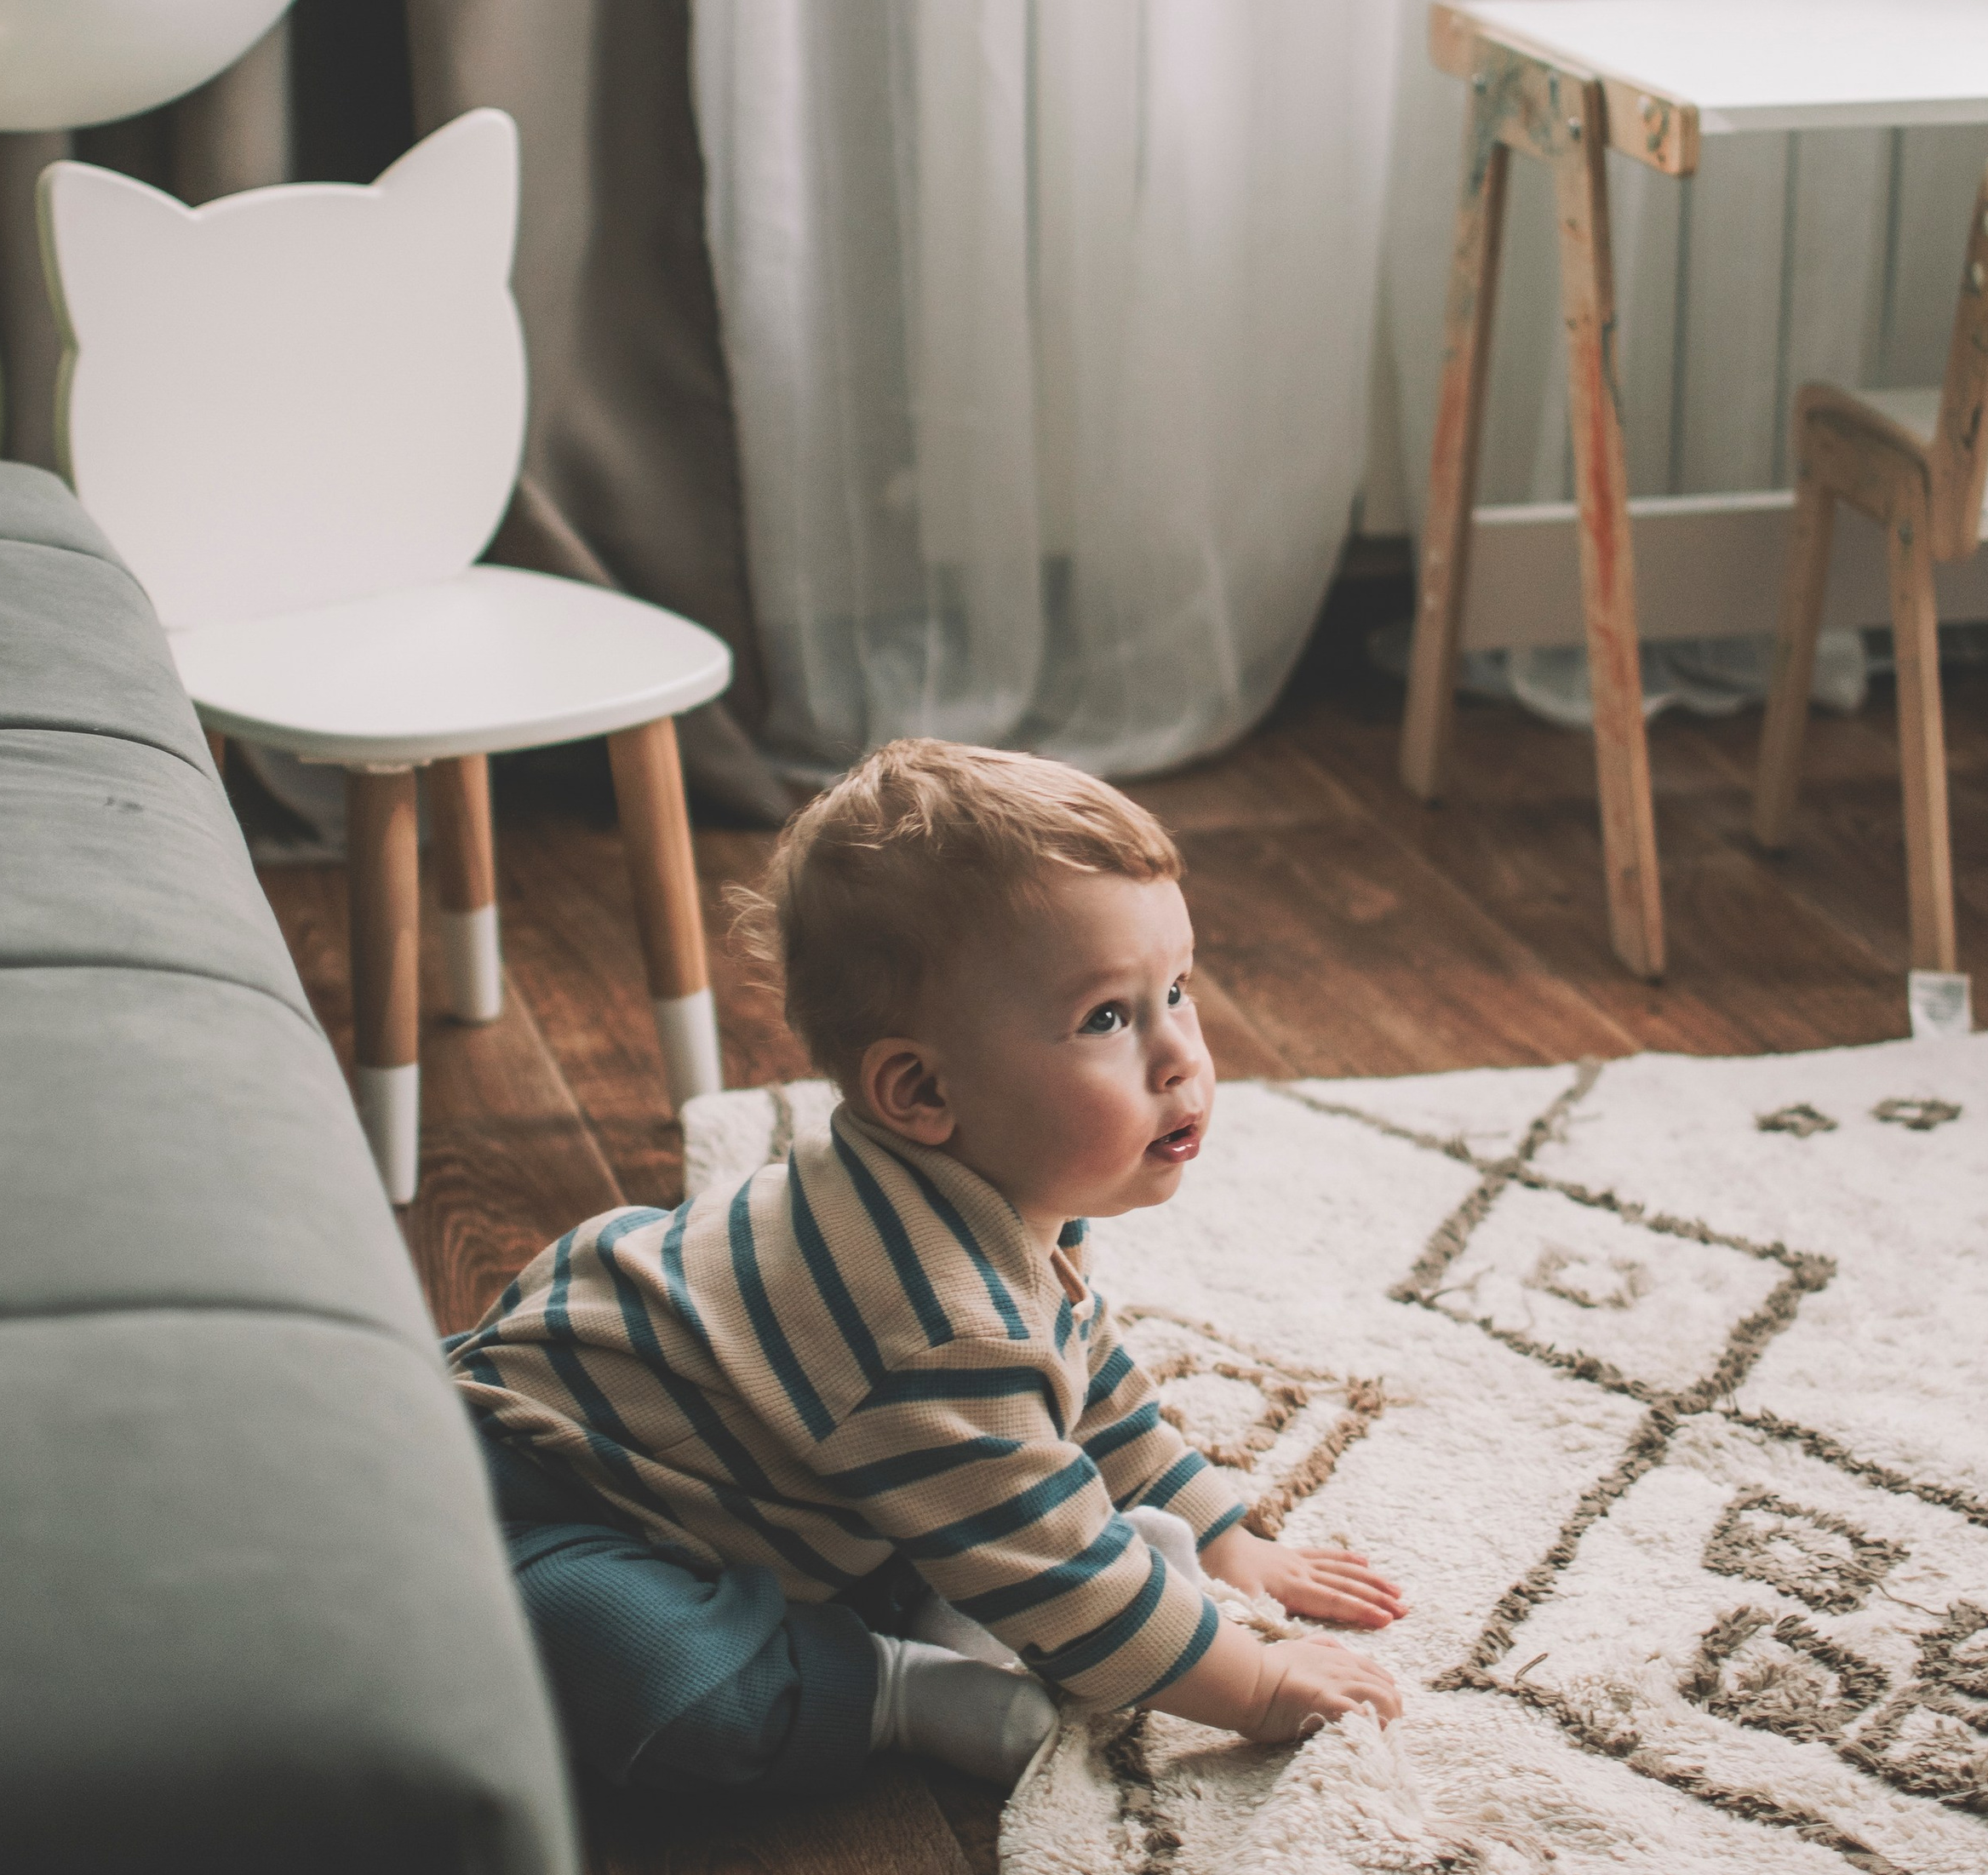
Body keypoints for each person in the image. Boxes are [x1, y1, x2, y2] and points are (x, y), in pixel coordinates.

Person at [444, 738, 1405, 1797]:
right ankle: (889, 1684)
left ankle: (951, 1568)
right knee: (639, 1670)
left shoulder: (995, 1203)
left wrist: (1224, 1539)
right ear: (920, 1093)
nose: (1180, 1053)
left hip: (738, 1462)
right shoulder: (939, 1326)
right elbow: (1068, 1588)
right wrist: (1257, 1684)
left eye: (1175, 989)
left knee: (980, 1479)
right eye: (1107, 1018)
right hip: (533, 1507)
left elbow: (1090, 1384)